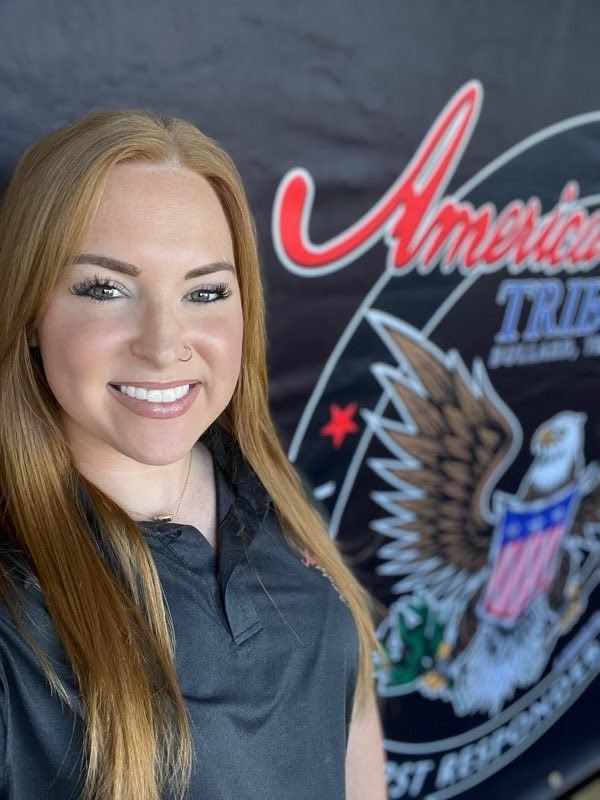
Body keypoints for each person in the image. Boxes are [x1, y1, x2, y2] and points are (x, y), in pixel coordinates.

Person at [0, 109, 389, 799]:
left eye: (205, 291)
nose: (163, 343)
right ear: (30, 312)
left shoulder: (271, 493)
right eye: (106, 288)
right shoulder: (14, 624)